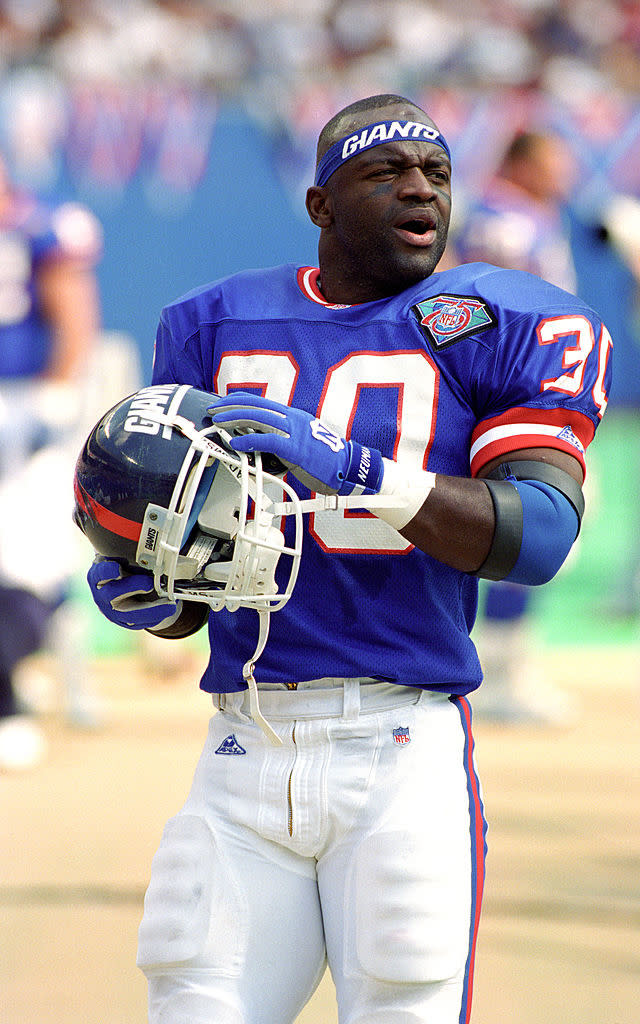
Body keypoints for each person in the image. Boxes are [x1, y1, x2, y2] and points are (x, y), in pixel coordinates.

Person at [81, 95, 611, 1024]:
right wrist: (159, 597)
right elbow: (198, 561)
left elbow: (538, 535)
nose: (420, 190)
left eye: (436, 173)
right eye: (386, 172)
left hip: (400, 749)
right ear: (321, 205)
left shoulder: (500, 319)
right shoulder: (214, 327)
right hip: (242, 745)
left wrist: (362, 473)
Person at [446, 130, 581, 724]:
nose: (566, 173)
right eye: (555, 160)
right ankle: (500, 672)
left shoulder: (505, 211)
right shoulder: (510, 219)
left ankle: (504, 665)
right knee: (526, 522)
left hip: (514, 388)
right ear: (524, 161)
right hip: (518, 395)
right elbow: (482, 305)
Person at [0, 153, 102, 769]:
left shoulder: (40, 226)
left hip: (27, 402)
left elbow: (72, 308)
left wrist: (61, 395)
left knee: (31, 557)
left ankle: (10, 683)